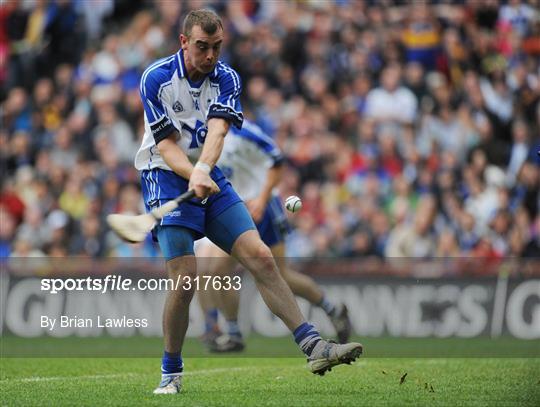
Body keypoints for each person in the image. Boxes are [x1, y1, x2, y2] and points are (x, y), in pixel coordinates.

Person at [135, 9, 362, 395]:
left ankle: (313, 346)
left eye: (217, 46)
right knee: (186, 279)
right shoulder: (156, 79)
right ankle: (170, 372)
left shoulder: (227, 78)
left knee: (259, 255)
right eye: (203, 47)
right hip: (165, 178)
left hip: (208, 174)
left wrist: (204, 168)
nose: (211, 55)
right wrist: (194, 174)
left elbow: (219, 130)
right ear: (184, 42)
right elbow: (166, 145)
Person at [195, 119, 352, 352]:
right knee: (215, 269)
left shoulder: (244, 131)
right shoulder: (199, 134)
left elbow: (276, 160)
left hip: (263, 208)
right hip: (234, 209)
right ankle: (233, 332)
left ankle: (331, 309)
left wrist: (262, 198)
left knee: (281, 275)